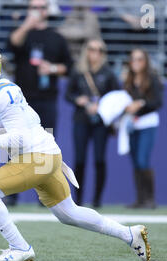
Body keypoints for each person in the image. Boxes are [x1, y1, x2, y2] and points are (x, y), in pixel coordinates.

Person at [0, 42, 150, 261]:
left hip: (37, 155)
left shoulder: (3, 93)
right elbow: (0, 128)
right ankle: (129, 234)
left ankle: (19, 247)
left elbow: (19, 138)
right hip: (38, 154)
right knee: (68, 213)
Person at [7, 0, 72, 206]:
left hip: (47, 100)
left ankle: (44, 197)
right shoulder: (22, 33)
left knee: (47, 147)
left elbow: (69, 67)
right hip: (21, 102)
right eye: (34, 7)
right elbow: (12, 45)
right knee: (17, 146)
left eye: (42, 7)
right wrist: (27, 24)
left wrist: (51, 69)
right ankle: (12, 193)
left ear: (47, 10)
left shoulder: (56, 37)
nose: (38, 10)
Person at [65, 39, 120, 207]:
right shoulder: (78, 71)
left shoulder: (108, 73)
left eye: (98, 50)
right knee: (80, 160)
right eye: (91, 49)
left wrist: (101, 104)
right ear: (86, 51)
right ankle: (79, 199)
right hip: (81, 119)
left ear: (103, 53)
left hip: (100, 122)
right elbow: (68, 94)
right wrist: (79, 100)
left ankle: (97, 199)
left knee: (99, 159)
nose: (94, 53)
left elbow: (116, 96)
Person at [124, 48, 164, 209]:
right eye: (133, 59)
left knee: (142, 159)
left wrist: (140, 104)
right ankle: (140, 199)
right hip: (132, 124)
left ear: (145, 61)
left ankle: (150, 199)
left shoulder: (152, 79)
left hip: (147, 123)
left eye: (140, 59)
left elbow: (157, 102)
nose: (136, 62)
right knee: (134, 160)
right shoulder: (128, 80)